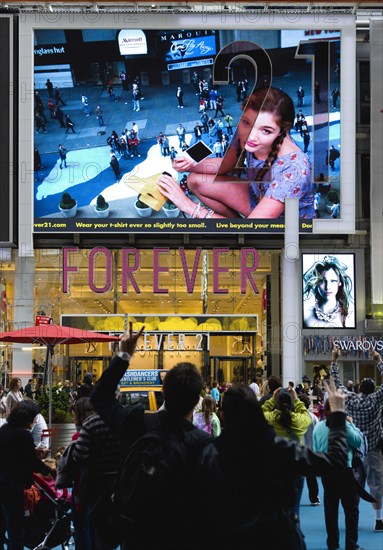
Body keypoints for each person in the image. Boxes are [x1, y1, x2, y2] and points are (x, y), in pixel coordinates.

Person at [90, 323, 211, 550]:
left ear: (163, 392)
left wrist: (125, 354)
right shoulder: (204, 446)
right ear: (197, 402)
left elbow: (100, 395)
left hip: (139, 536)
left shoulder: (136, 423)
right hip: (184, 537)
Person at [197, 380, 348, 549]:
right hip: (277, 538)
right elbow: (335, 461)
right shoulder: (278, 450)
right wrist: (337, 415)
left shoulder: (209, 455)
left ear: (223, 415)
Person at [158, 87, 315, 220]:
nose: (251, 137)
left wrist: (188, 206)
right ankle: (232, 223)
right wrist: (190, 165)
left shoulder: (294, 168)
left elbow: (252, 230)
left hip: (283, 222)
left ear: (283, 131)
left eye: (266, 131)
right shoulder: (247, 133)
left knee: (245, 232)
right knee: (194, 180)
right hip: (256, 196)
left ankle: (232, 228)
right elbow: (226, 165)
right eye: (248, 123)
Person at [331, 346, 383, 532]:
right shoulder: (376, 399)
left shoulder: (351, 399)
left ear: (359, 388)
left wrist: (334, 360)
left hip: (353, 448)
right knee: (376, 484)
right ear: (373, 389)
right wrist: (378, 360)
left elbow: (336, 382)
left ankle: (351, 516)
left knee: (352, 485)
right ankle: (378, 519)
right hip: (374, 449)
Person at [0, 400, 55, 550]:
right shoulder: (23, 434)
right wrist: (49, 471)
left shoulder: (4, 429)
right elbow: (33, 462)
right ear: (27, 417)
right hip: (13, 485)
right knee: (16, 528)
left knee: (2, 525)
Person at [313, 398, 363, 550]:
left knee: (330, 509)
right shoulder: (343, 426)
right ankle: (351, 544)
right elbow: (357, 441)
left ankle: (332, 543)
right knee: (351, 509)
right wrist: (350, 423)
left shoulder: (318, 427)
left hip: (326, 471)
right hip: (344, 471)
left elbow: (316, 449)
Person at [262, 386, 312, 518]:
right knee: (295, 509)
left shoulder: (270, 418)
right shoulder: (298, 420)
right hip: (296, 465)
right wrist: (296, 400)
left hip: (275, 466)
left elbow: (260, 413)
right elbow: (307, 416)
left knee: (274, 507)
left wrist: (271, 400)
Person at [303, 255, 354, 328]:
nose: (327, 287)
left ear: (340, 282)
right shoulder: (306, 315)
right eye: (323, 281)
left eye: (333, 281)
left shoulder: (349, 315)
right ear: (316, 282)